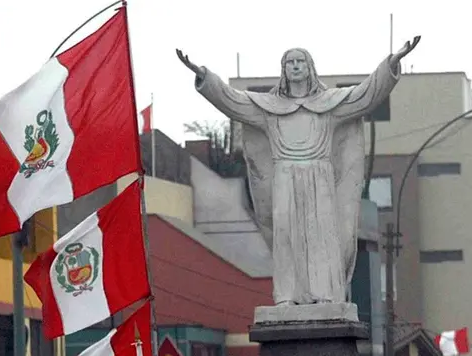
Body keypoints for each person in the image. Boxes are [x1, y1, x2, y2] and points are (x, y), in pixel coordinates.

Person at [176, 39, 420, 305]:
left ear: (309, 67)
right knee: (286, 236)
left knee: (320, 236)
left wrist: (392, 65)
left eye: (300, 61)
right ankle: (286, 296)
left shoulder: (330, 105)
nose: (295, 66)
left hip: (321, 176)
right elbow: (233, 101)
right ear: (283, 69)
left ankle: (325, 294)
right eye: (289, 62)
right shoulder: (269, 109)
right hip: (284, 177)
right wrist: (204, 77)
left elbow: (365, 94)